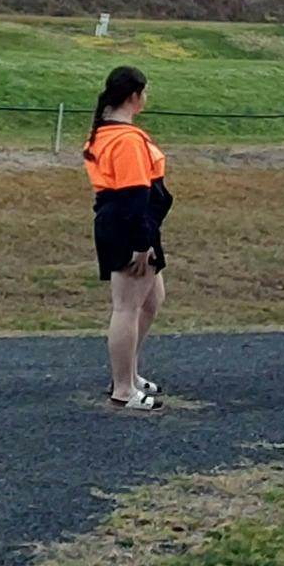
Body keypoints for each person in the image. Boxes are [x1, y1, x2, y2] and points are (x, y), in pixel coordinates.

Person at [83, 68, 172, 409]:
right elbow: (135, 195)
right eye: (144, 92)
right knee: (127, 307)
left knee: (152, 300)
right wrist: (141, 242)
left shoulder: (106, 132)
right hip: (130, 225)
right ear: (134, 96)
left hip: (124, 221)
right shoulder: (126, 139)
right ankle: (122, 388)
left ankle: (129, 374)